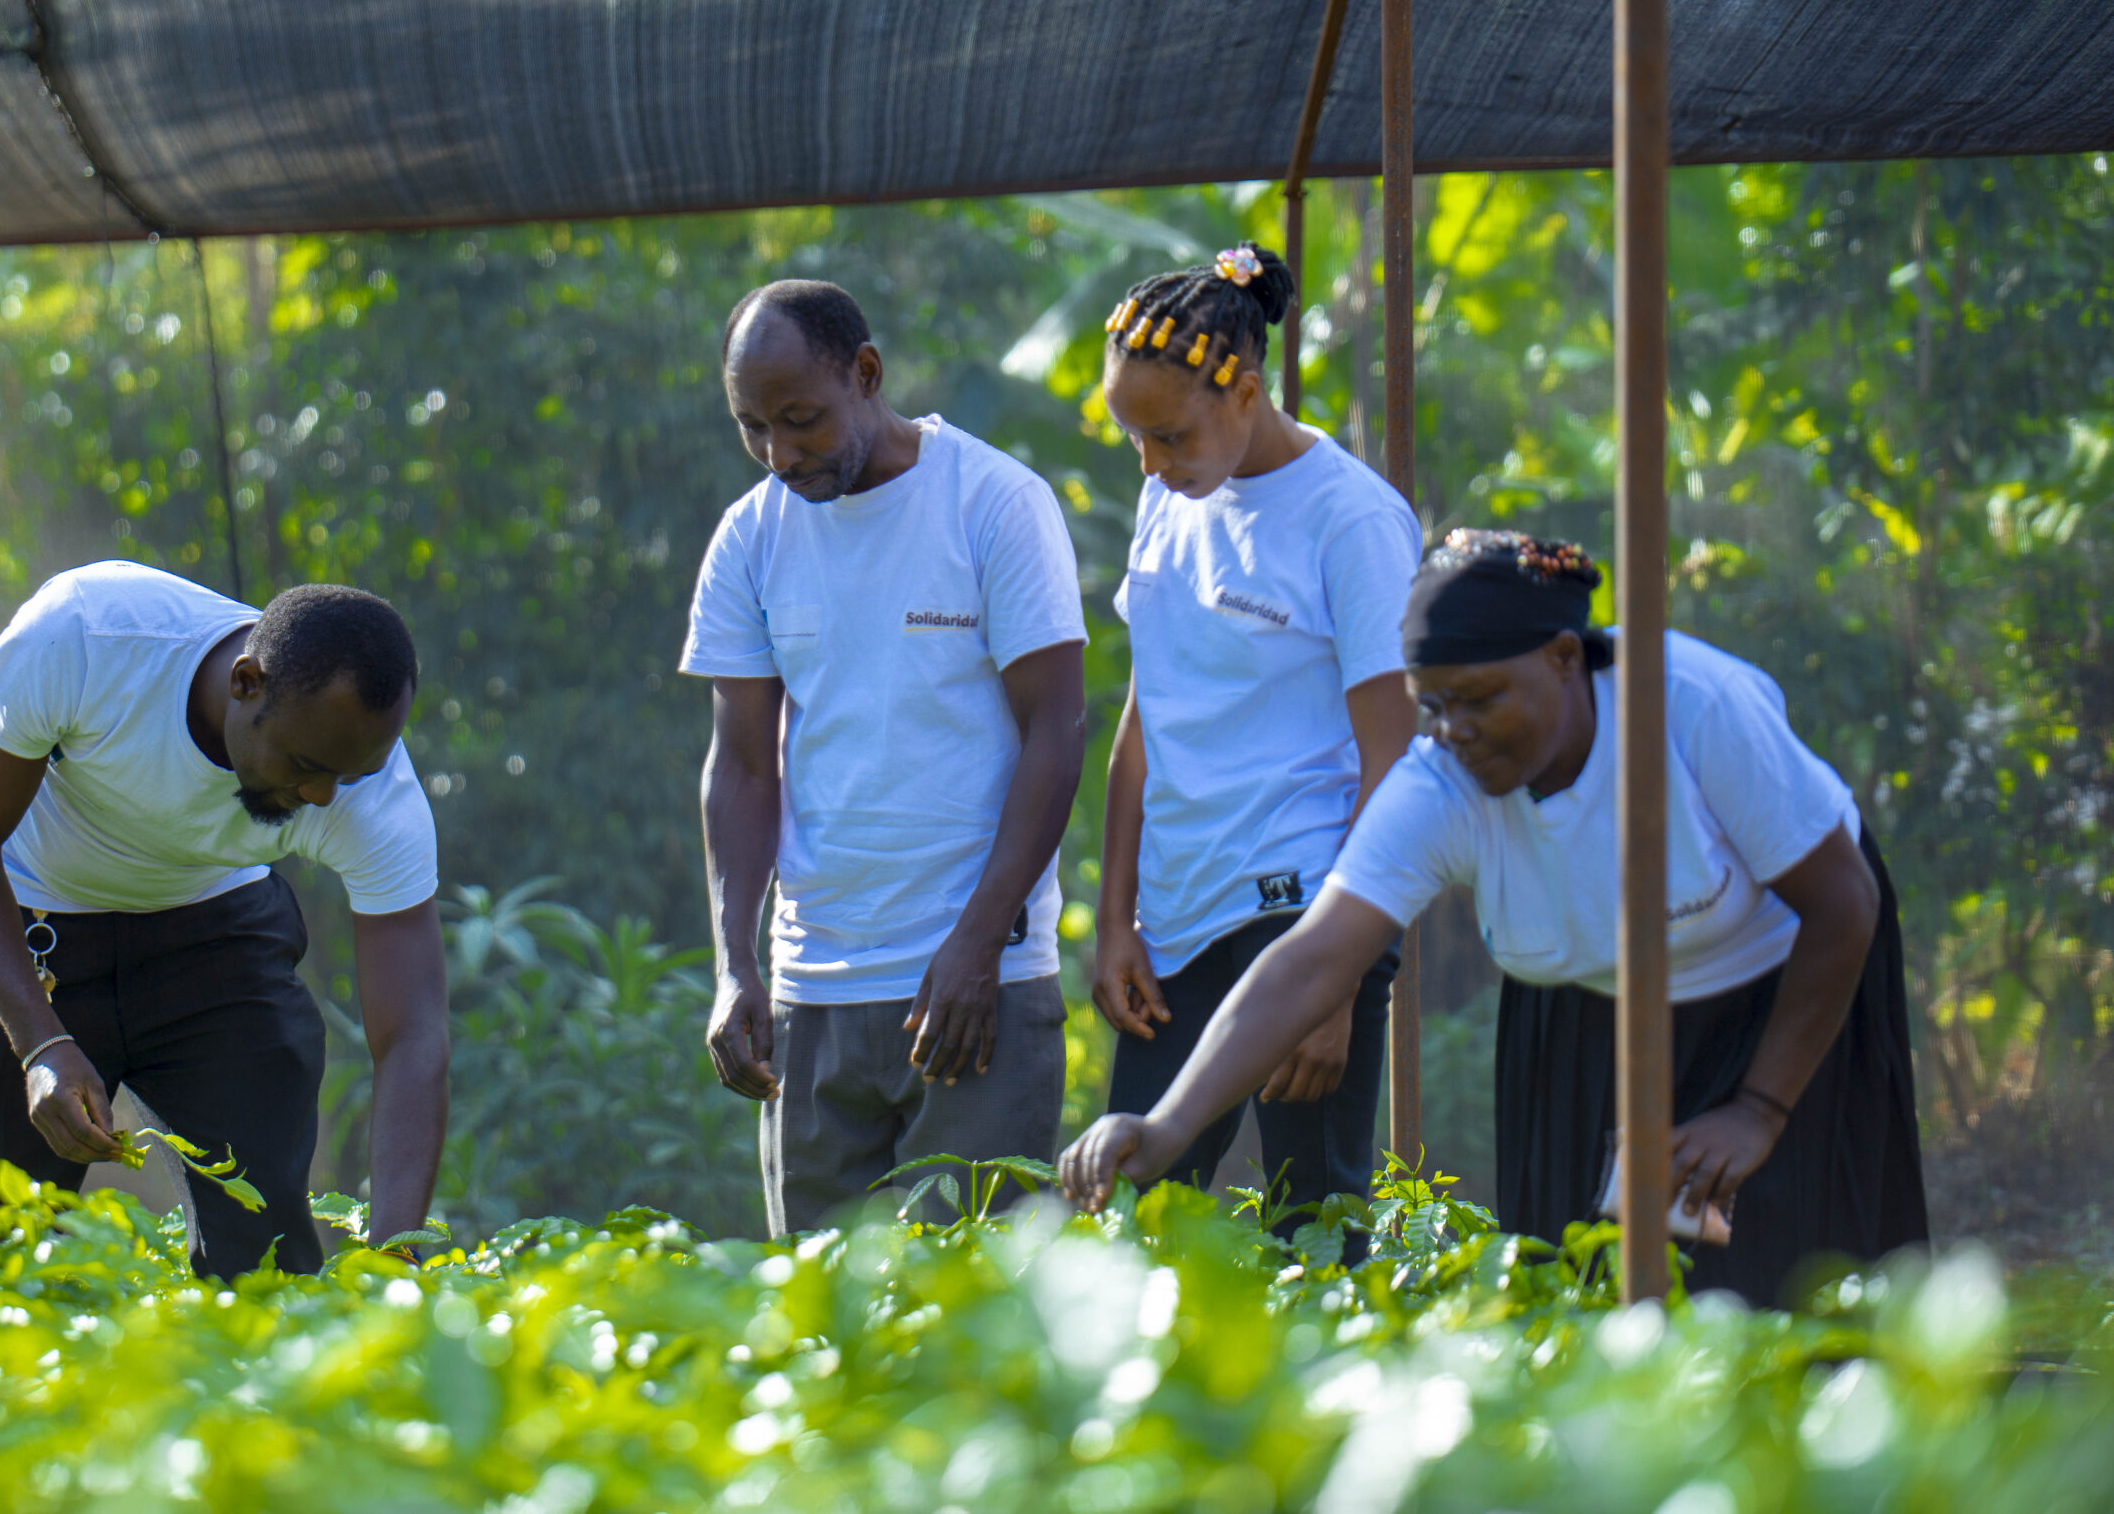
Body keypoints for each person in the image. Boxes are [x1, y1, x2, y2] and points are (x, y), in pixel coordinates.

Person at [1061, 530, 1930, 1303]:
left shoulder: (1692, 709)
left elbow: (1843, 902)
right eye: (1432, 706)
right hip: (1591, 1005)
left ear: (1563, 656)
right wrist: (1168, 1123)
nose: (1455, 730)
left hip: (1784, 986)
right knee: (1583, 1281)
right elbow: (1314, 956)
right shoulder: (1439, 781)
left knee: (1785, 1281)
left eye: (1479, 698)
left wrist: (1760, 1110)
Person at [683, 278, 1089, 1234]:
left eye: (802, 419)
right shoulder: (749, 539)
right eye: (753, 427)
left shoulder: (995, 503)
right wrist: (735, 967)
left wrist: (979, 942)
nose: (781, 453)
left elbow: (1057, 731)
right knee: (826, 1338)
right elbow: (741, 766)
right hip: (811, 995)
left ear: (866, 374)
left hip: (973, 990)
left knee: (975, 1330)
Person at [0, 560, 449, 1277]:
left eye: (345, 777)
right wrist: (40, 1045)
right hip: (25, 920)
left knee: (263, 1260)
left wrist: (397, 1256)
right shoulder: (90, 632)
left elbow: (411, 1032)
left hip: (216, 936)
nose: (322, 795)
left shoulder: (369, 790)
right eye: (304, 764)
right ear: (246, 682)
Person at [1092, 243, 1421, 1210]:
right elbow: (1142, 725)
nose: (1150, 462)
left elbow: (1394, 762)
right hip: (1176, 917)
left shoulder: (1350, 519)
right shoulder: (1168, 499)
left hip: (1306, 913)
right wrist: (1117, 920)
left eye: (1171, 436)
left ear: (1244, 390)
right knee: (1145, 1217)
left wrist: (1338, 978)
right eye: (1135, 440)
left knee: (1313, 1222)